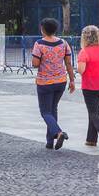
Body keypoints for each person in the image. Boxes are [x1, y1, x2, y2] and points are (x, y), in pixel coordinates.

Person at [30, 18, 75, 150]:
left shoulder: (39, 44)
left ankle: (58, 132)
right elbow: (68, 63)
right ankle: (50, 141)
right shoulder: (64, 43)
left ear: (43, 29)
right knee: (53, 109)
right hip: (61, 81)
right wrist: (72, 80)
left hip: (45, 82)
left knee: (45, 112)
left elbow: (35, 64)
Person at [76, 24, 99, 151]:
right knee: (94, 112)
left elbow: (81, 70)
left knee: (93, 113)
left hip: (90, 87)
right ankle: (91, 140)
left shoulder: (84, 52)